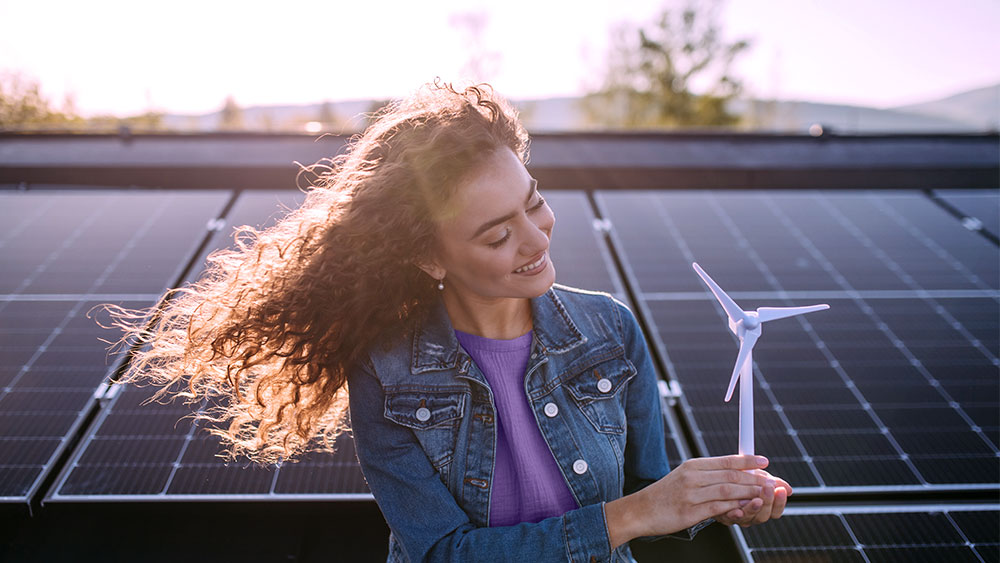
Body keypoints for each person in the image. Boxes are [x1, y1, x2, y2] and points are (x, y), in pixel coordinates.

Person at [98, 80, 790, 563]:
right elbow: (443, 553)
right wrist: (632, 515)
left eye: (534, 201)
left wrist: (711, 501)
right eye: (498, 235)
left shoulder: (611, 331)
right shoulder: (386, 371)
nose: (537, 239)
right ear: (430, 256)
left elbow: (649, 499)